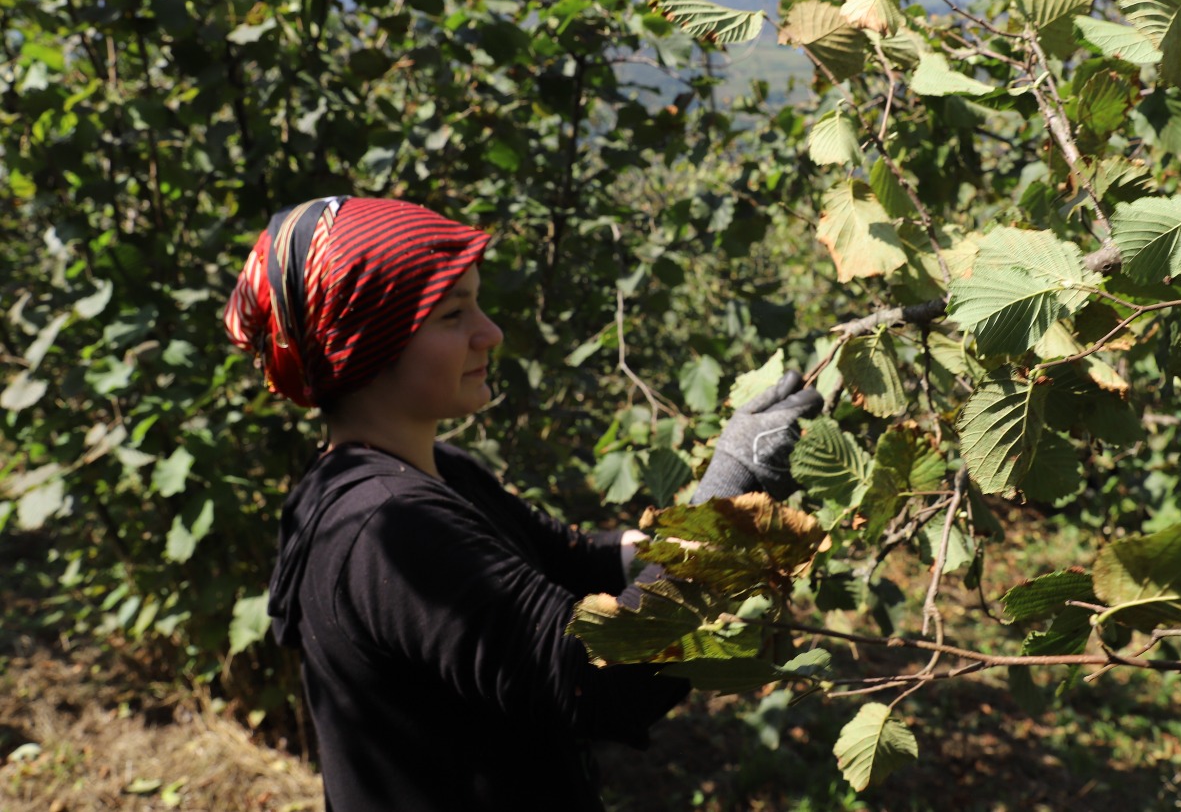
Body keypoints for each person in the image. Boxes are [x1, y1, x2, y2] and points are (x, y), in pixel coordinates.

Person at [224, 195, 821, 811]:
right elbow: (596, 681)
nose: (491, 333)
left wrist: (715, 504)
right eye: (453, 315)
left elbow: (570, 560)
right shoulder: (387, 529)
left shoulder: (422, 476)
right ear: (369, 343)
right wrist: (730, 495)